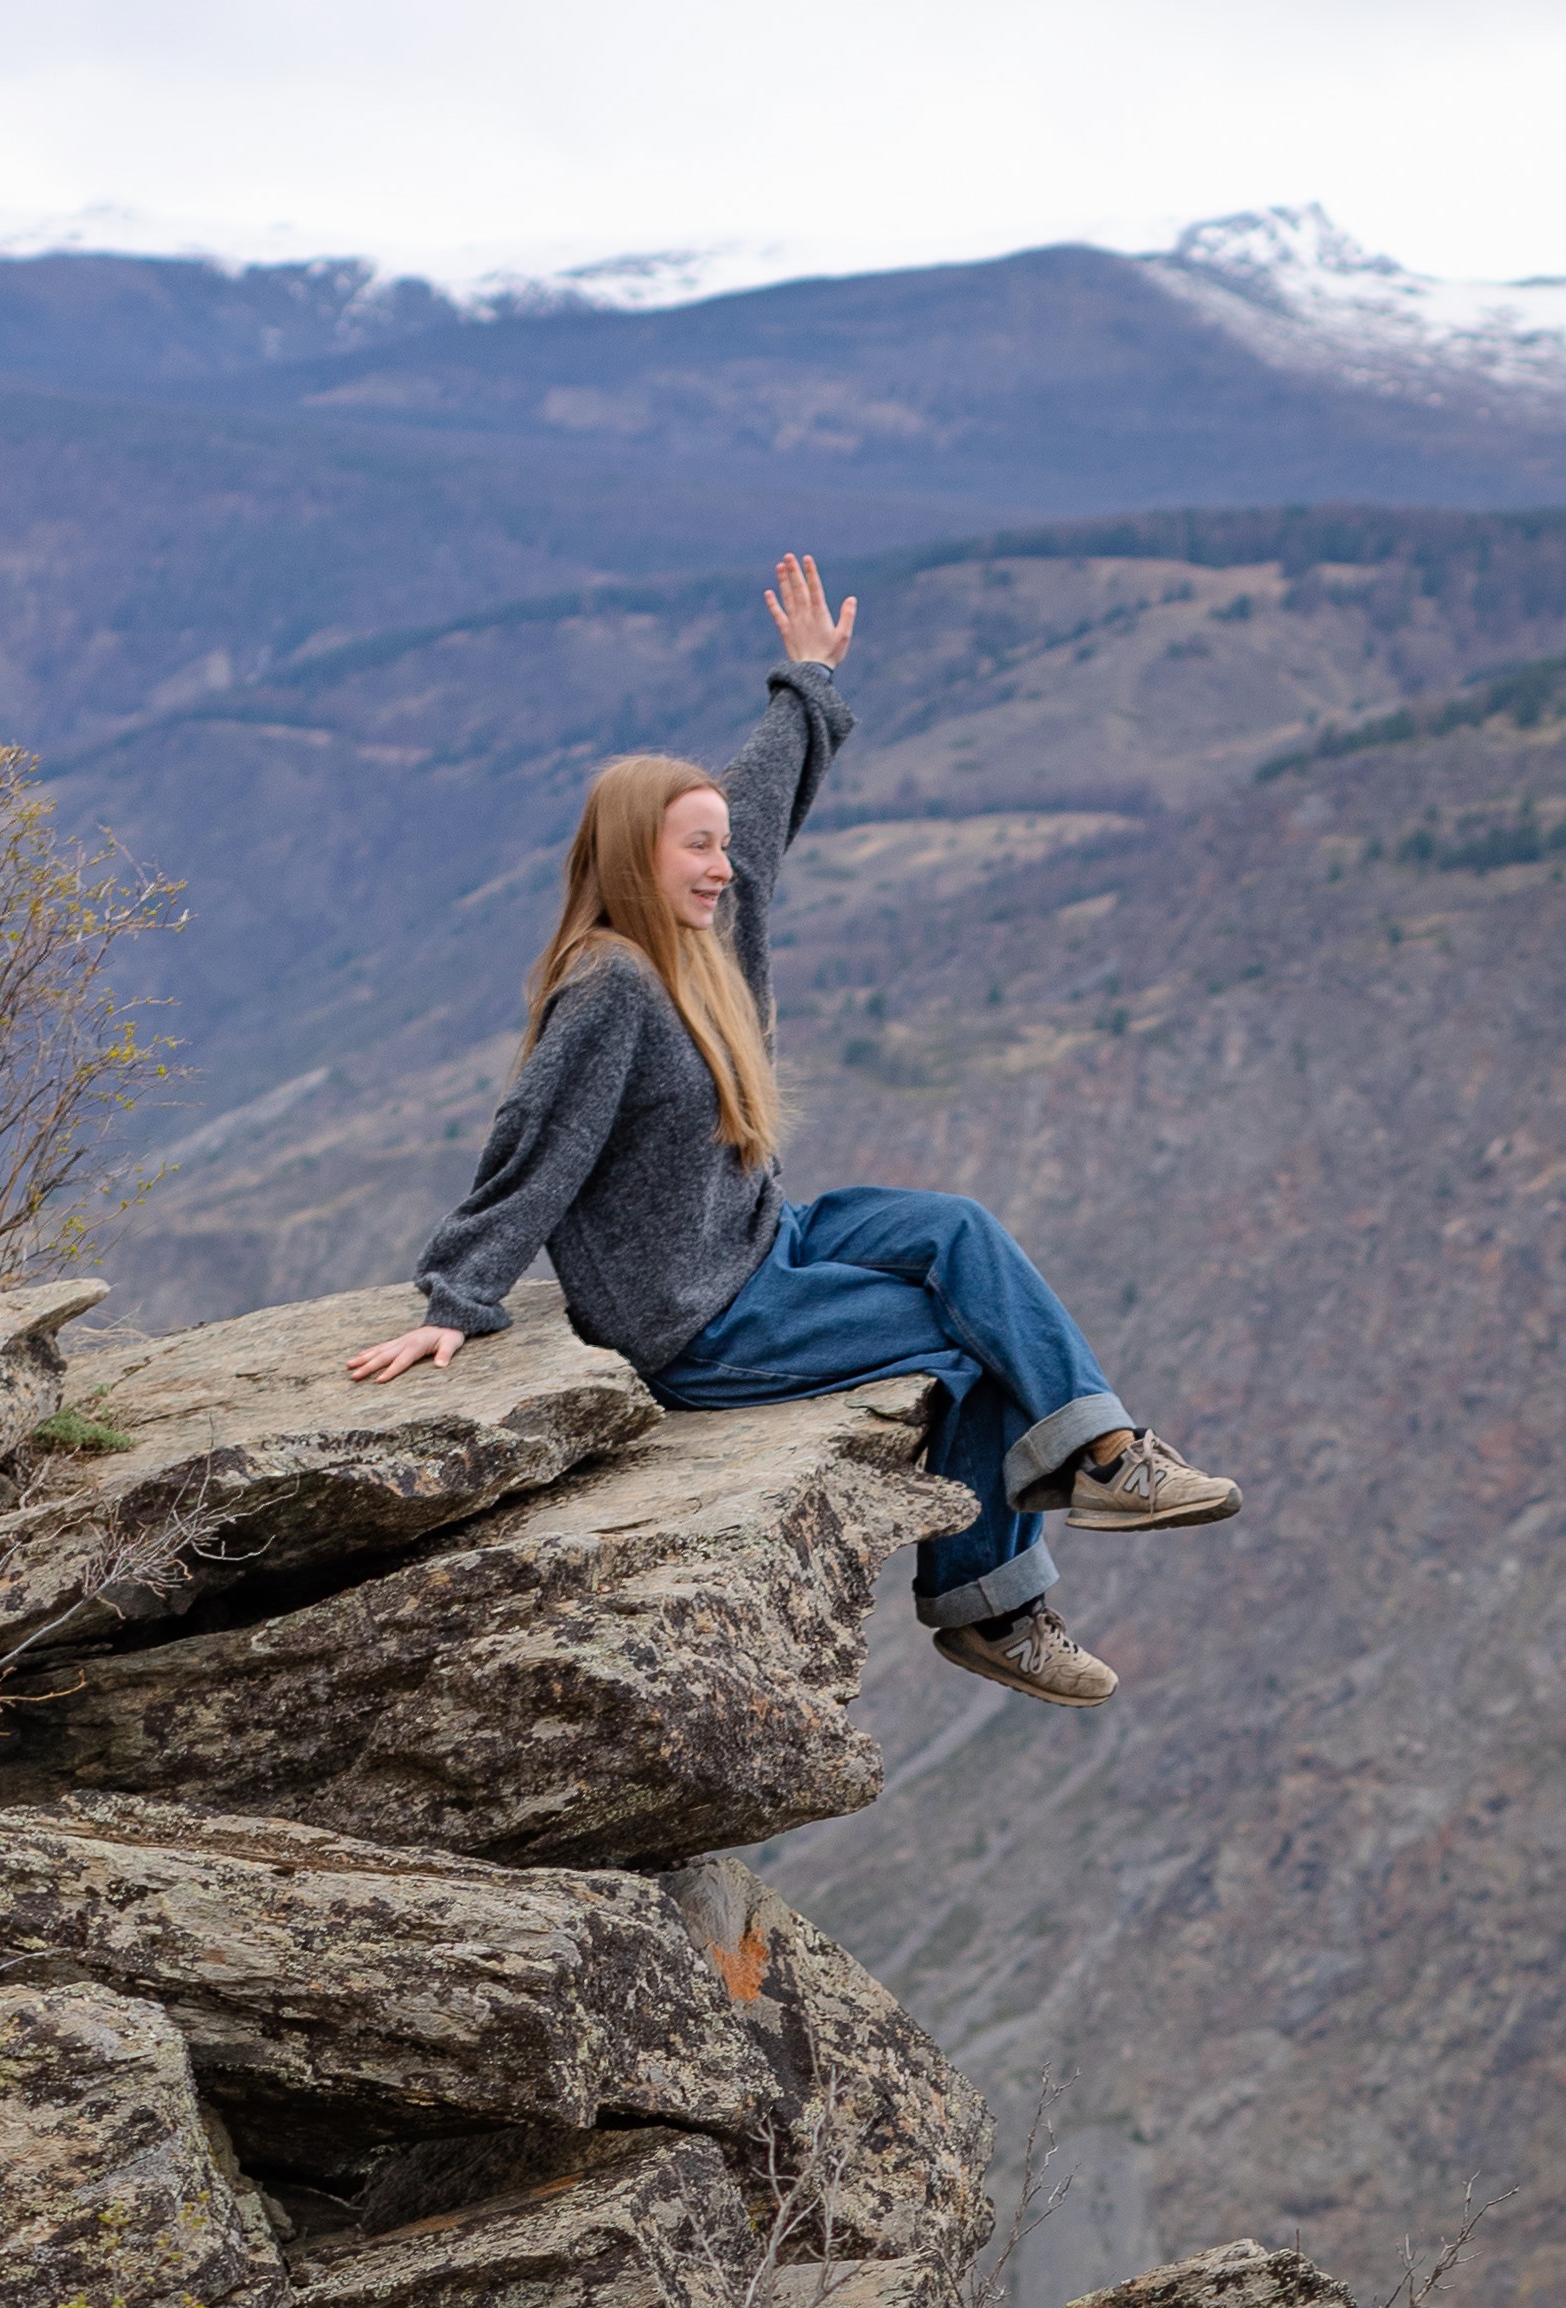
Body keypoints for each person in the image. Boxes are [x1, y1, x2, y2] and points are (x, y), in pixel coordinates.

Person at [346, 552, 1236, 1703]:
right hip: (700, 1318)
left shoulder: (713, 922)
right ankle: (993, 1611)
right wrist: (456, 1303)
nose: (722, 863)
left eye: (721, 845)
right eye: (696, 848)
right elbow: (535, 1145)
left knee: (959, 1235)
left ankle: (1109, 1456)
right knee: (961, 1349)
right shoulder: (610, 985)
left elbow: (764, 790)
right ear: (632, 859)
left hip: (769, 1240)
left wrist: (807, 679)